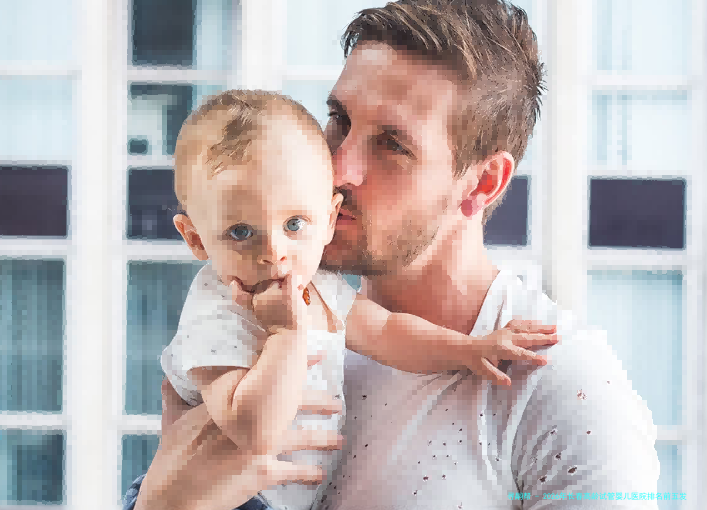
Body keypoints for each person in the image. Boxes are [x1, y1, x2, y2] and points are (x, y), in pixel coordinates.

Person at [124, 1, 661, 509]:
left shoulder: (564, 389)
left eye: (391, 144)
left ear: (482, 183)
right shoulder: (271, 318)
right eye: (338, 119)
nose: (338, 169)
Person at [159, 89, 557, 510]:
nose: (273, 252)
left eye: (294, 224)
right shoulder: (217, 315)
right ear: (195, 238)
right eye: (241, 232)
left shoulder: (320, 287)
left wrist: (469, 349)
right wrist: (285, 335)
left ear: (329, 219)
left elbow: (388, 331)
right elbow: (253, 433)